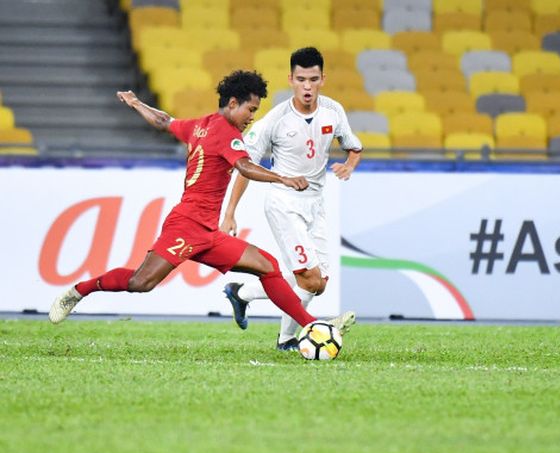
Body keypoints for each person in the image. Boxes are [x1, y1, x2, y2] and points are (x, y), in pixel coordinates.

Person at [49, 70, 352, 333]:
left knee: (267, 266)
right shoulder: (228, 133)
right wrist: (283, 178)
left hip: (208, 232)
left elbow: (165, 121)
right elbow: (244, 166)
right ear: (233, 103)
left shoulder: (199, 125)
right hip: (186, 226)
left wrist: (137, 103)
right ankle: (78, 291)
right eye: (250, 109)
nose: (251, 117)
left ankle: (312, 325)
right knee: (140, 282)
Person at [220, 47, 362, 351]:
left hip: (316, 202)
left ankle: (248, 299)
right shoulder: (277, 119)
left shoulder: (334, 112)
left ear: (323, 79)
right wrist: (230, 211)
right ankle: (288, 333)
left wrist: (349, 165)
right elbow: (245, 166)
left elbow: (354, 146)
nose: (307, 86)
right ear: (291, 79)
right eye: (301, 79)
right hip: (284, 202)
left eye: (313, 79)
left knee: (318, 282)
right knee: (309, 278)